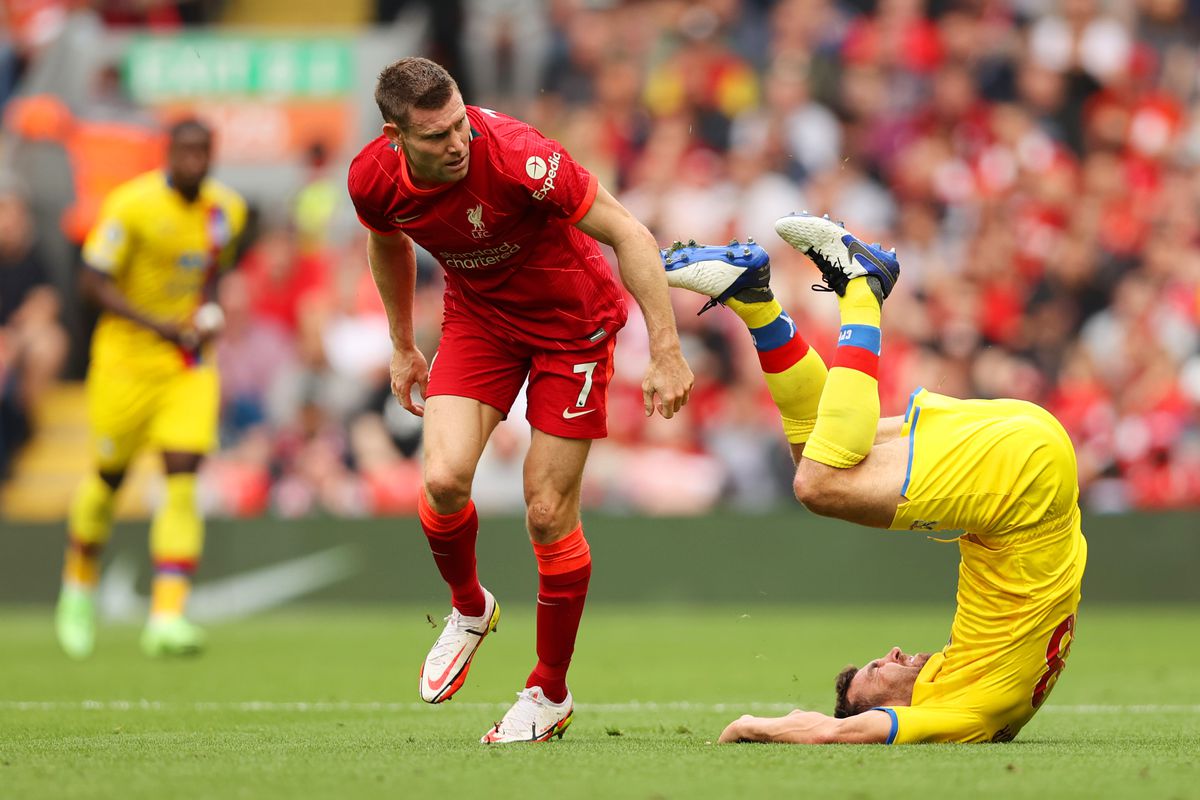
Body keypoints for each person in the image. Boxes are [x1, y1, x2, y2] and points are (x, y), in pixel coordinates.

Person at [346, 57, 693, 744]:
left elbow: (628, 231)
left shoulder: (518, 158)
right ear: (395, 136)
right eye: (437, 135)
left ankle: (549, 692)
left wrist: (666, 350)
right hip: (479, 321)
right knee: (443, 480)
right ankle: (470, 608)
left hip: (573, 326)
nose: (457, 142)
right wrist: (401, 343)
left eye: (460, 123)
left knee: (545, 511)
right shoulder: (371, 179)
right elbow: (385, 243)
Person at [661, 213, 1087, 745]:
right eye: (877, 674)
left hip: (1027, 461)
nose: (889, 654)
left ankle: (754, 299)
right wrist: (753, 726)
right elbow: (838, 734)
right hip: (1024, 484)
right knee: (818, 486)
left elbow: (855, 720)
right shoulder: (966, 714)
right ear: (893, 715)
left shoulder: (958, 681)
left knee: (818, 454)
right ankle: (863, 286)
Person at [54, 119, 247, 660]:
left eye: (202, 152)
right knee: (109, 478)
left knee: (182, 480)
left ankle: (167, 616)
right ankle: (77, 587)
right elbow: (91, 281)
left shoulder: (223, 210)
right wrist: (154, 323)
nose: (193, 161)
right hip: (124, 364)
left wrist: (208, 311)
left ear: (212, 155)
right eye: (184, 152)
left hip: (186, 365)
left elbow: (210, 270)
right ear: (167, 154)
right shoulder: (130, 205)